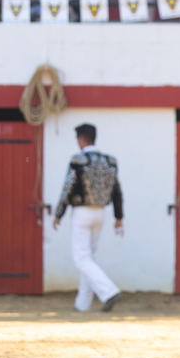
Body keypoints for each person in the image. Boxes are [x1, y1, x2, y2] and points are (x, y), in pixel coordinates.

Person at [53, 123, 124, 313]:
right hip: (100, 212)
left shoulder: (79, 160)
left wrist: (59, 213)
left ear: (81, 139)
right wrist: (118, 217)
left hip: (82, 213)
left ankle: (108, 291)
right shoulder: (110, 161)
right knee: (89, 258)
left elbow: (68, 187)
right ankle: (82, 304)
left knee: (81, 258)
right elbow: (117, 191)